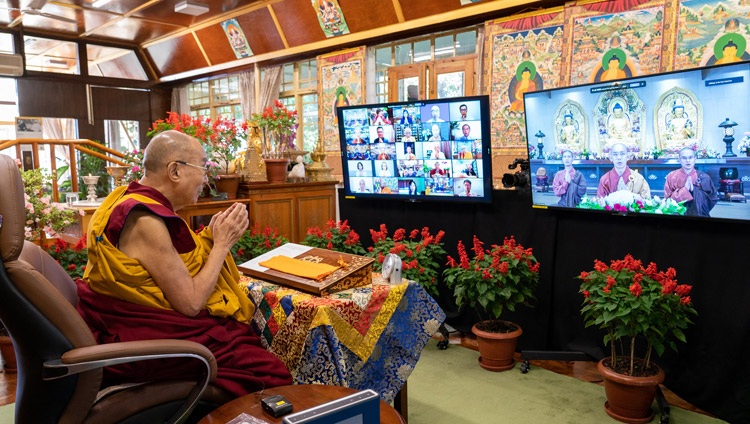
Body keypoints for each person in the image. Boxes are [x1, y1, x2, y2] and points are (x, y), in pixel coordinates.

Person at [76, 130, 293, 397]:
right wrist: (222, 245)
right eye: (202, 166)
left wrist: (211, 239)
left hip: (144, 323)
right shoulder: (146, 221)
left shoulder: (125, 198)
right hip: (151, 342)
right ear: (175, 171)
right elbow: (190, 303)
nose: (206, 176)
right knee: (270, 373)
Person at [664, 147, 718, 217]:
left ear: (695, 159)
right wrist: (685, 190)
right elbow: (668, 200)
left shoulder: (704, 177)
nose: (688, 160)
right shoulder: (671, 176)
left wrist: (694, 190)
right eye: (684, 158)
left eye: (690, 157)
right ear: (679, 160)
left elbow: (712, 198)